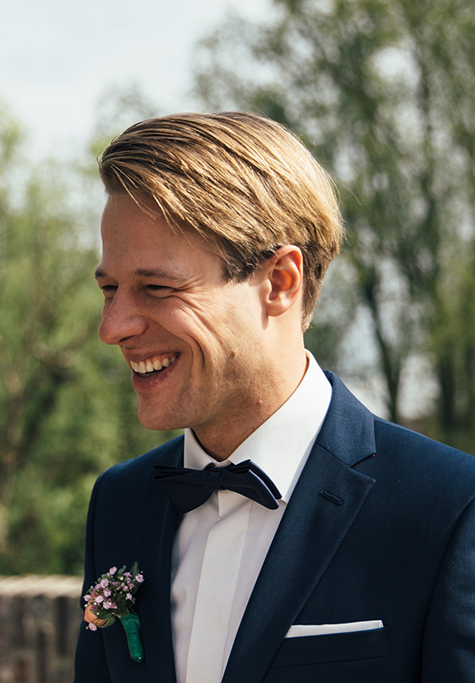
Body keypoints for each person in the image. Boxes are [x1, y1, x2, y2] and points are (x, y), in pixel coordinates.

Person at [75, 112, 475, 683]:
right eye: (110, 289)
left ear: (280, 282)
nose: (112, 327)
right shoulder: (117, 503)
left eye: (157, 288)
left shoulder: (450, 510)